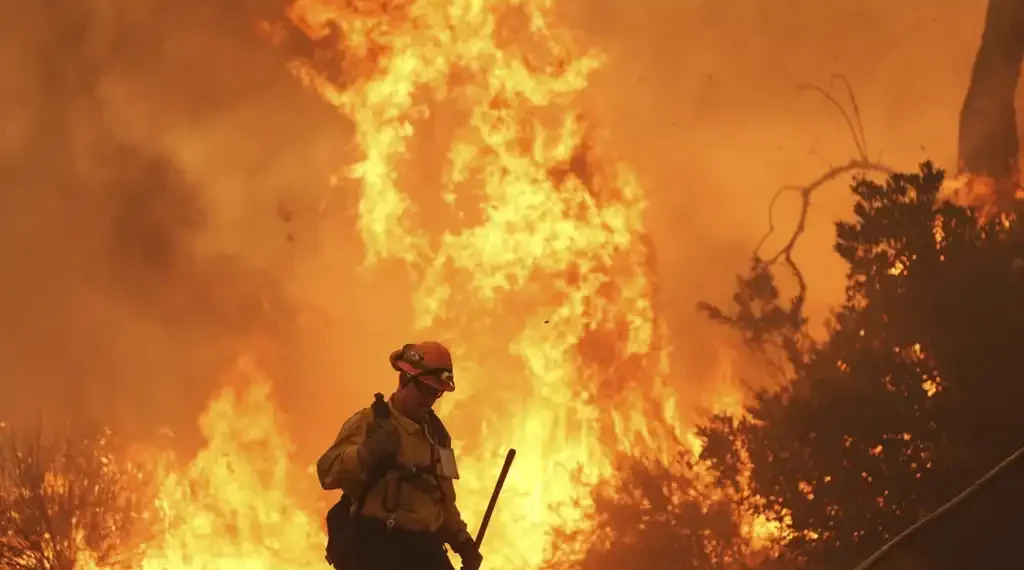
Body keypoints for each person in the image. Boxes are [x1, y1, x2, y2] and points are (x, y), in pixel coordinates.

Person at [317, 341, 483, 570]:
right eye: (425, 389)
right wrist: (366, 453)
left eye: (437, 392)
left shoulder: (438, 436)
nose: (430, 398)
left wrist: (462, 541)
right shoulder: (370, 422)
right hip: (378, 549)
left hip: (424, 550)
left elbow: (443, 499)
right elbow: (327, 472)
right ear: (405, 378)